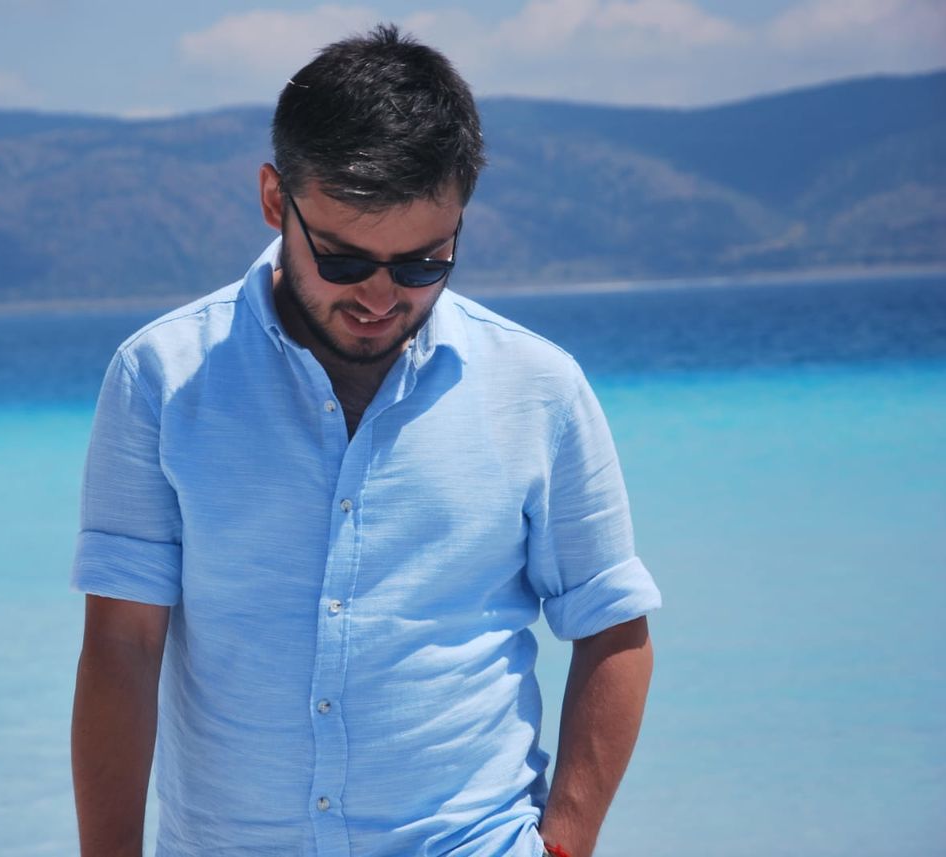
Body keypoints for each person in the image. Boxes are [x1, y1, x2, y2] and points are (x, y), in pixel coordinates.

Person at [70, 23, 660, 857]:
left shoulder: (539, 386)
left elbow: (612, 626)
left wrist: (564, 846)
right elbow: (121, 646)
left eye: (423, 263)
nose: (382, 296)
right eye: (345, 261)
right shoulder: (161, 379)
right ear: (277, 201)